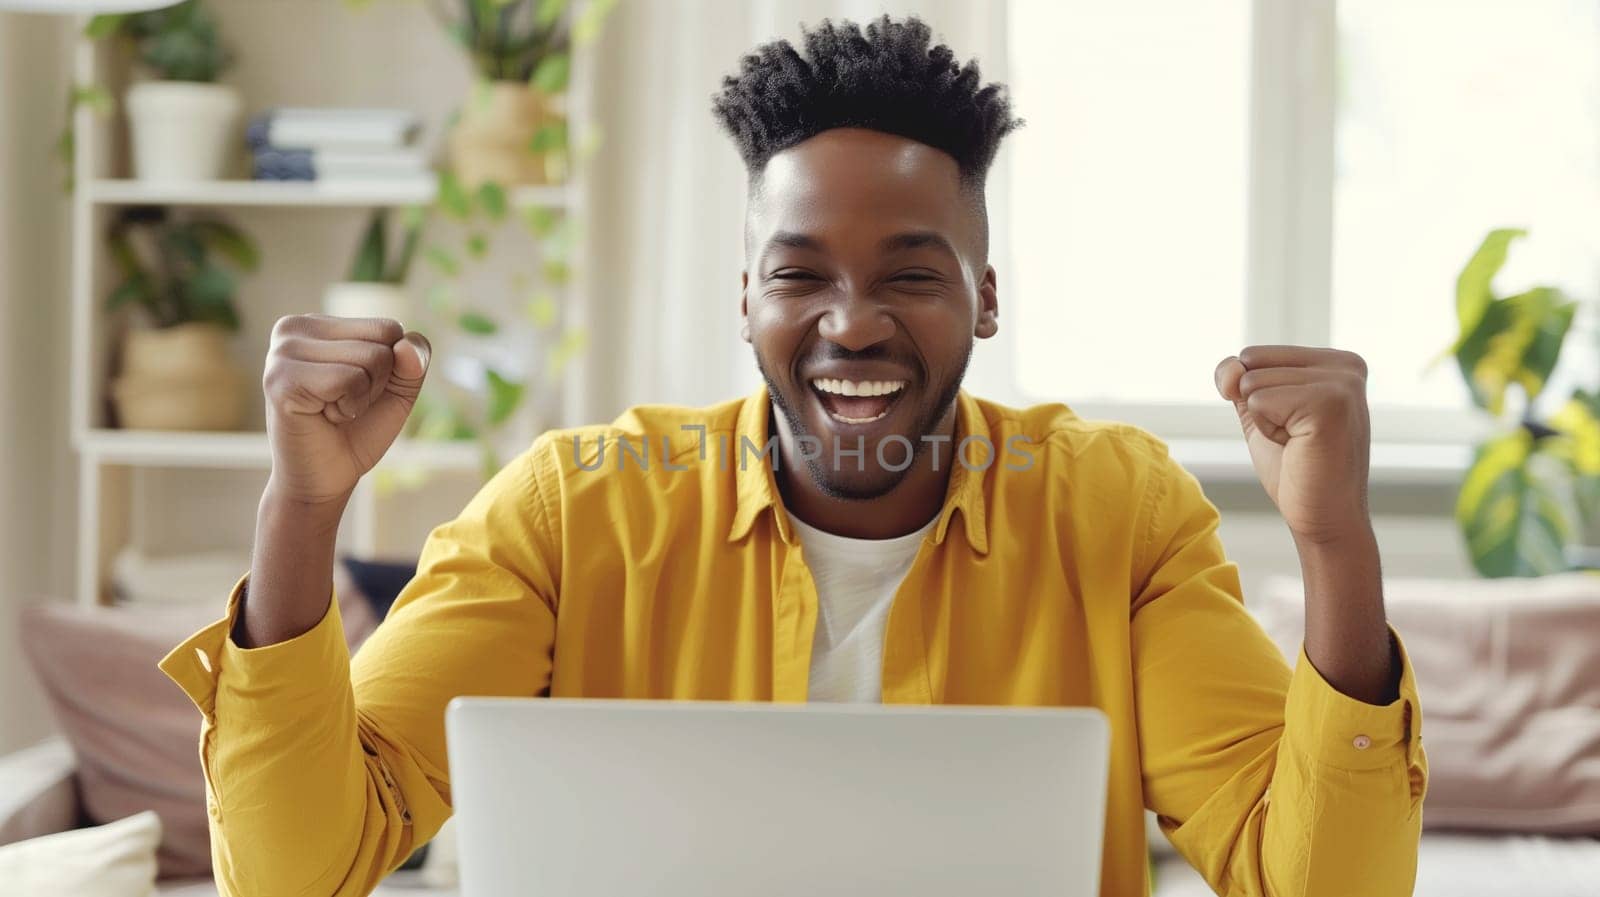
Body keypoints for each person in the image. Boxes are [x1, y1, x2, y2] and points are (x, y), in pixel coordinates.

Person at [161, 16, 1425, 897]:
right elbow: (300, 874)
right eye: (800, 276)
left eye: (911, 277)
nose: (851, 322)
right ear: (745, 301)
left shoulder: (1119, 510)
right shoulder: (572, 508)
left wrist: (1333, 544)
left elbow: (1313, 885)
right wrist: (301, 510)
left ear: (986, 300)